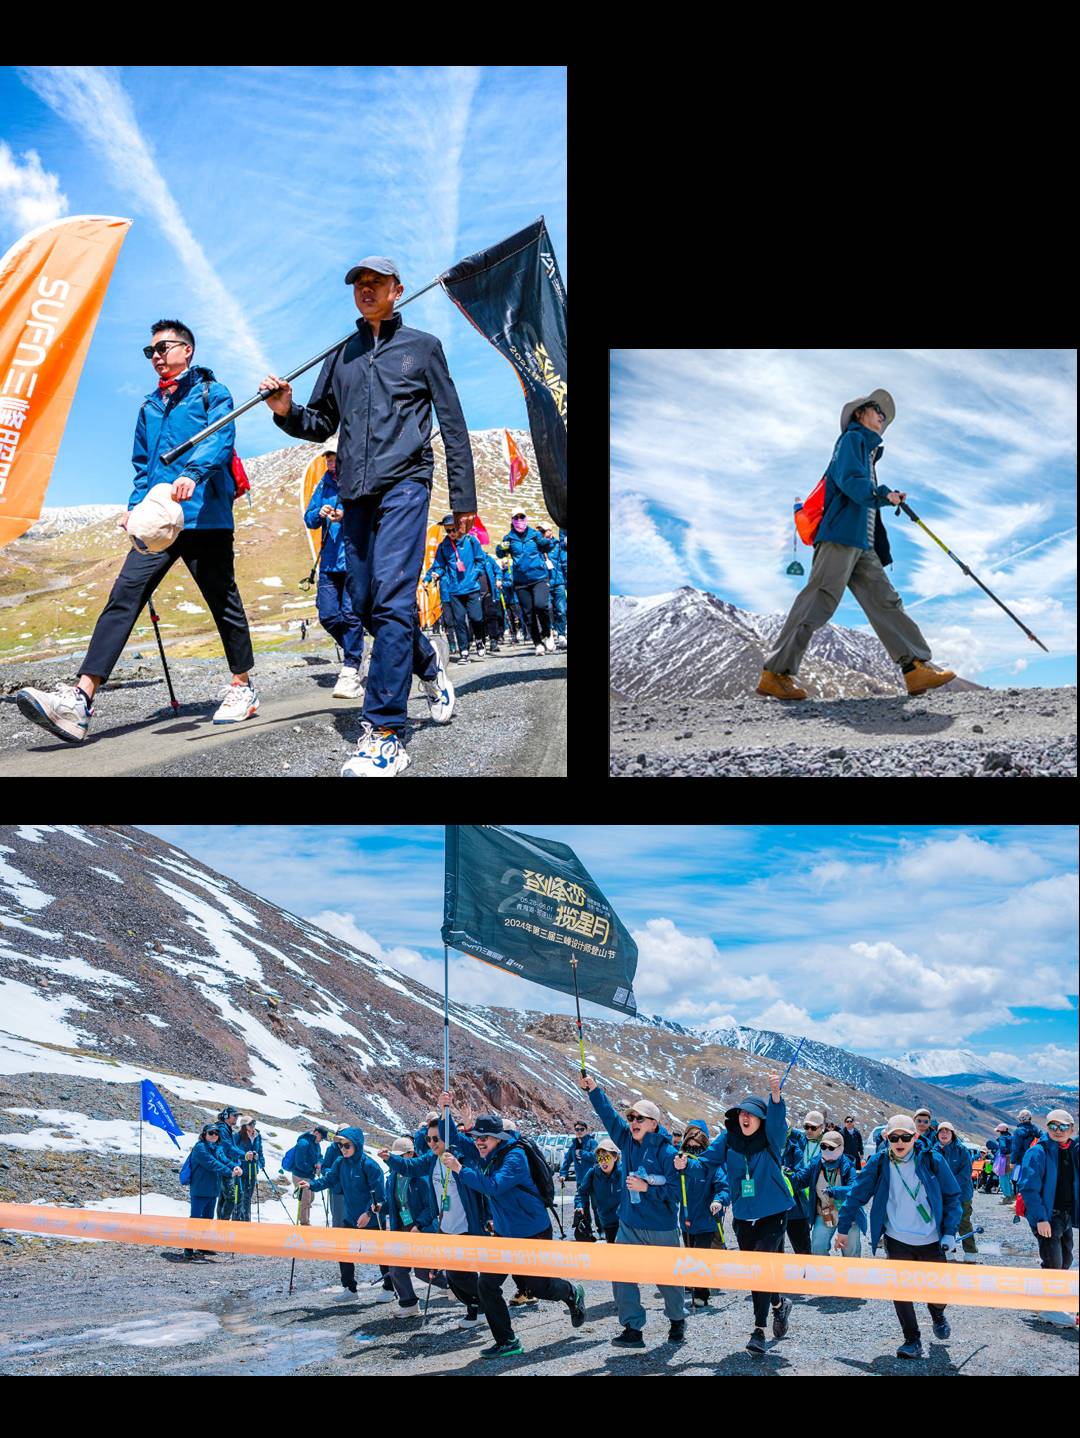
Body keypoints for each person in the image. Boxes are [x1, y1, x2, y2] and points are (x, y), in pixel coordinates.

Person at [261, 258, 472, 777]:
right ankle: (427, 664)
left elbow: (453, 422)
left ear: (398, 290)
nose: (366, 290)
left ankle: (384, 733)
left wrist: (463, 497)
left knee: (395, 598)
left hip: (406, 484)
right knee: (364, 601)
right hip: (355, 493)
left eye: (376, 283)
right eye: (359, 284)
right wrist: (286, 410)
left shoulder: (422, 348)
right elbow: (320, 423)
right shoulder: (341, 355)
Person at [17, 319, 258, 743]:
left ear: (187, 350)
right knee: (125, 593)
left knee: (223, 600)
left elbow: (220, 437)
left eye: (163, 348)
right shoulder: (148, 406)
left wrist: (194, 473)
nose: (156, 357)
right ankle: (80, 699)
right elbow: (142, 466)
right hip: (159, 521)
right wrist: (133, 510)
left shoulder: (211, 392)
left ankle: (242, 686)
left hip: (206, 515)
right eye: (151, 352)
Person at [757, 389, 956, 701]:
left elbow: (862, 490)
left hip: (862, 543)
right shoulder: (851, 441)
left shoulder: (867, 451)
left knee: (885, 599)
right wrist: (883, 494)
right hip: (839, 537)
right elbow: (851, 481)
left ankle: (915, 668)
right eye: (877, 409)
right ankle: (776, 673)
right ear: (860, 413)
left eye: (885, 415)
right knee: (818, 599)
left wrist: (881, 498)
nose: (882, 416)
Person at [440, 1111, 586, 1359]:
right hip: (504, 1234)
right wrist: (446, 1109)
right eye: (477, 1137)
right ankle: (507, 1341)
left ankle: (572, 1293)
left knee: (540, 1288)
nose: (479, 1141)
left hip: (532, 1233)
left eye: (485, 1137)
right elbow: (453, 1136)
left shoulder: (515, 1156)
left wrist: (459, 1168)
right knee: (486, 1285)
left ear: (499, 1137)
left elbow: (493, 1186)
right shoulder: (488, 1152)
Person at [685, 1072, 796, 1354]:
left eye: (752, 1114)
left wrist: (775, 1096)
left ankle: (758, 1330)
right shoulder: (728, 1139)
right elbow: (705, 1164)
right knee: (758, 1271)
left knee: (760, 1266)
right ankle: (779, 1305)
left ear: (761, 1119)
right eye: (741, 1114)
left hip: (774, 1211)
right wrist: (684, 1165)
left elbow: (778, 1119)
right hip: (744, 1215)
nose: (745, 1118)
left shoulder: (772, 1136)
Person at [835, 1113, 962, 1360]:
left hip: (932, 1239)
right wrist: (842, 1228)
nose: (900, 1141)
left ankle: (937, 1313)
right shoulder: (880, 1162)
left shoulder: (932, 1159)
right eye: (895, 1137)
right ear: (887, 1137)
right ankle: (912, 1340)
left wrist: (949, 1233)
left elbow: (952, 1197)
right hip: (896, 1238)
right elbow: (857, 1194)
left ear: (915, 1136)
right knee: (901, 1290)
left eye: (905, 1136)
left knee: (940, 1291)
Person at [579, 1073, 685, 1349]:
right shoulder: (625, 1142)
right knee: (622, 1273)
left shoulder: (667, 1153)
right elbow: (608, 1116)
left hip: (661, 1228)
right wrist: (594, 1091)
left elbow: (675, 1193)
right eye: (631, 1118)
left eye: (640, 1119)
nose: (633, 1123)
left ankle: (676, 1320)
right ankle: (632, 1328)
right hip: (629, 1224)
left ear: (654, 1123)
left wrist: (646, 1188)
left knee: (668, 1280)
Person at [380, 1098, 488, 1327]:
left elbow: (460, 1141)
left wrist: (445, 1110)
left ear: (446, 1138)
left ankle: (479, 1308)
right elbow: (411, 1166)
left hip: (467, 1226)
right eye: (428, 1139)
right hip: (446, 1226)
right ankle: (476, 1307)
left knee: (464, 1273)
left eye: (435, 1138)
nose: (430, 1143)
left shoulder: (460, 1154)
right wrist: (391, 1159)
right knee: (456, 1275)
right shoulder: (431, 1159)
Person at [303, 437, 366, 698]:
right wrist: (320, 513)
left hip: (353, 558)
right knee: (328, 615)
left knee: (351, 616)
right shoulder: (323, 484)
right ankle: (359, 654)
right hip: (328, 560)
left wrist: (346, 515)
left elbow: (368, 515)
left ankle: (351, 666)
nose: (329, 461)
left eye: (333, 456)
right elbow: (309, 518)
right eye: (327, 457)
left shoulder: (359, 478)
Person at [297, 1127, 384, 1298]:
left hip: (371, 1219)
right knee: (344, 1250)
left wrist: (368, 1213)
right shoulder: (340, 1163)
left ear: (357, 1145)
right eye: (340, 1146)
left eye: (346, 1145)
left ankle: (389, 1287)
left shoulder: (370, 1165)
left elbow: (380, 1195)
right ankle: (350, 1289)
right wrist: (311, 1185)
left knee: (380, 1254)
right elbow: (329, 1180)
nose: (343, 1149)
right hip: (351, 1216)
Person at [1017, 1108, 1078, 1324]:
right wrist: (1041, 1218)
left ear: (1072, 1129)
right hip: (1047, 1216)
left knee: (1066, 1259)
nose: (1058, 1130)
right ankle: (1048, 1308)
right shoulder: (1038, 1152)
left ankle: (1043, 1300)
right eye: (1053, 1125)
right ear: (1047, 1127)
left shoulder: (1072, 1150)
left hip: (1066, 1215)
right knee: (1053, 1261)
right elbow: (1029, 1188)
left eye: (1063, 1126)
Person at [675, 1120, 729, 1307]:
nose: (693, 1151)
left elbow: (723, 1186)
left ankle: (701, 1295)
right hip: (687, 1219)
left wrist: (718, 1200)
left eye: (697, 1148)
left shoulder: (712, 1165)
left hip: (706, 1219)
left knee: (701, 1257)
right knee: (691, 1255)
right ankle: (695, 1285)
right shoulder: (680, 1163)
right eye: (689, 1147)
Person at [423, 513, 486, 667]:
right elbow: (439, 565)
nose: (451, 533)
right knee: (459, 621)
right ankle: (463, 651)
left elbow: (481, 560)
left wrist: (474, 575)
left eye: (453, 530)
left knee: (476, 618)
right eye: (448, 530)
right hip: (455, 590)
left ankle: (479, 639)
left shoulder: (471, 541)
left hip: (471, 587)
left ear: (459, 527)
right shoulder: (444, 546)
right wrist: (430, 576)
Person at [791, 1128, 864, 1257]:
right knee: (818, 1247)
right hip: (825, 1212)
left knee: (851, 1252)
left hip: (848, 1215)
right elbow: (801, 1179)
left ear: (841, 1148)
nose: (826, 1150)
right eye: (823, 1146)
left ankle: (851, 1276)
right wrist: (787, 1177)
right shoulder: (815, 1163)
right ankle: (823, 1274)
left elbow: (854, 1189)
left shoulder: (848, 1166)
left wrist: (834, 1191)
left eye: (831, 1148)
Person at [496, 508, 556, 655]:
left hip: (539, 578)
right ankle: (537, 643)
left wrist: (550, 540)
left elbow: (547, 546)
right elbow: (500, 553)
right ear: (512, 520)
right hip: (521, 582)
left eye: (521, 516)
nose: (519, 519)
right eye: (516, 517)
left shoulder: (534, 535)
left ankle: (547, 634)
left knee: (541, 606)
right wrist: (501, 547)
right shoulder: (509, 538)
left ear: (526, 518)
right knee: (528, 613)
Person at [181, 1122, 242, 1261]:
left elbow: (224, 1160)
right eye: (211, 1133)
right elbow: (212, 1163)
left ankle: (202, 1245)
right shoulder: (200, 1148)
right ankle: (188, 1249)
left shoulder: (217, 1148)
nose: (214, 1135)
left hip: (213, 1190)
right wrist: (230, 1172)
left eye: (216, 1133)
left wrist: (235, 1167)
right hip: (200, 1189)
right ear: (204, 1134)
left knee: (208, 1219)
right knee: (195, 1219)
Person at [783, 1110, 825, 1254]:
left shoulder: (827, 1146)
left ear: (822, 1127)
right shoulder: (800, 1140)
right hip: (799, 1197)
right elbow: (784, 1128)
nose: (809, 1131)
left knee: (818, 1242)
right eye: (806, 1126)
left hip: (818, 1197)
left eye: (813, 1128)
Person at [934, 1121, 977, 1261]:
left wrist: (949, 1186)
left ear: (952, 1134)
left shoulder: (962, 1150)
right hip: (942, 1195)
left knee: (964, 1222)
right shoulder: (933, 1151)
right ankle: (948, 1251)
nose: (944, 1134)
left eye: (947, 1131)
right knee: (945, 1222)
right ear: (937, 1134)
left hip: (962, 1194)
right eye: (941, 1131)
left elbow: (965, 1173)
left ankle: (970, 1252)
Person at [576, 1138, 622, 1243]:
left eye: (607, 1157)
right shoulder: (593, 1173)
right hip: (607, 1222)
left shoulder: (623, 1173)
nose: (603, 1161)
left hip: (624, 1222)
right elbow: (581, 1193)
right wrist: (579, 1205)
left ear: (615, 1157)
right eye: (600, 1159)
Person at [559, 1120, 597, 1236]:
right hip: (580, 1181)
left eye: (581, 1129)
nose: (579, 1132)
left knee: (596, 1206)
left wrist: (582, 1153)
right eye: (577, 1130)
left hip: (594, 1180)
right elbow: (567, 1160)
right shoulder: (573, 1145)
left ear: (586, 1130)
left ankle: (602, 1230)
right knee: (582, 1206)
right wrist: (563, 1174)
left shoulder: (592, 1143)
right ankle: (587, 1229)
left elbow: (596, 1157)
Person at [284, 1124, 327, 1225]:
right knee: (305, 1199)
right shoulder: (303, 1143)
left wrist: (319, 1163)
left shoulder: (316, 1144)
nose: (321, 1140)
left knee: (310, 1198)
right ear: (316, 1133)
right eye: (322, 1138)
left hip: (309, 1176)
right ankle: (304, 1223)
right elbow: (300, 1163)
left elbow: (320, 1156)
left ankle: (303, 1218)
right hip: (299, 1175)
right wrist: (313, 1169)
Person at [234, 1115, 264, 1223]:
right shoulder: (238, 1136)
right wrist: (245, 1156)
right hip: (241, 1170)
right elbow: (233, 1151)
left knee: (248, 1196)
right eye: (251, 1124)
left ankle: (246, 1219)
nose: (253, 1126)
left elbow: (260, 1150)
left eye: (254, 1124)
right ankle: (238, 1219)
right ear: (244, 1126)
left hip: (252, 1170)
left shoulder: (257, 1136)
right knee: (240, 1195)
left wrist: (260, 1162)